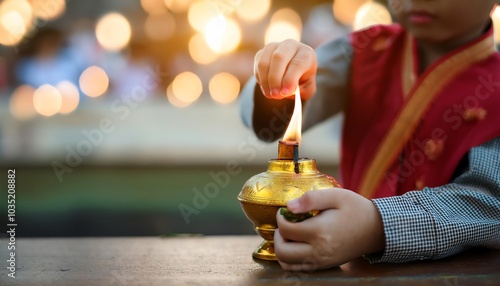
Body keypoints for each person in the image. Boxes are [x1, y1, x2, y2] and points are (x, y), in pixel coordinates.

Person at [240, 0, 500, 271]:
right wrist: (279, 79)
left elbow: (489, 202)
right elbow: (265, 117)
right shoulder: (363, 49)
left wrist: (377, 225)